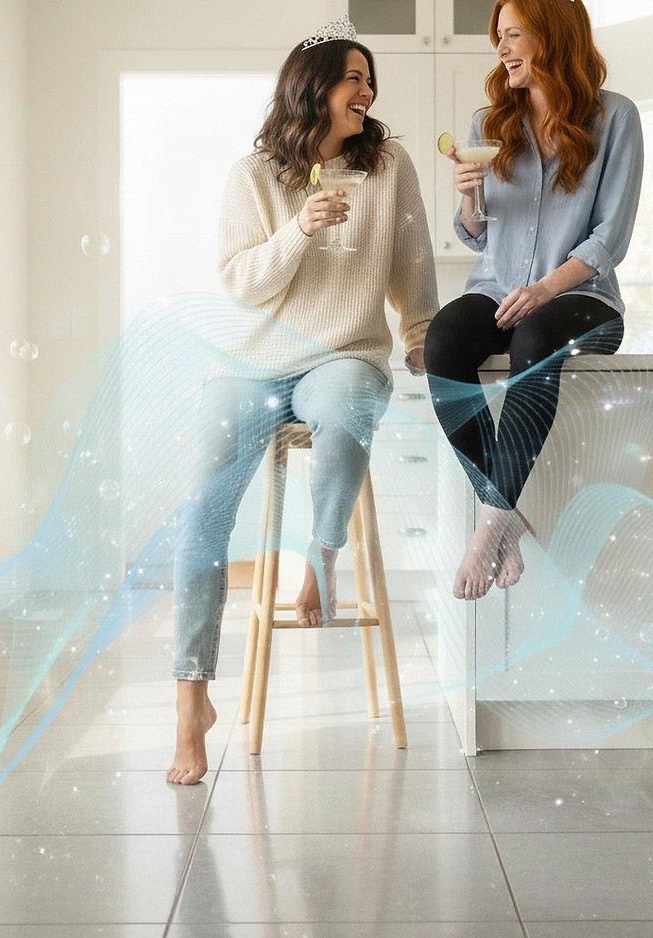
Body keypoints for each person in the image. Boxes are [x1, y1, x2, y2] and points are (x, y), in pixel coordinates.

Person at [168, 16, 438, 784]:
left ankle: (319, 561)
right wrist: (298, 230)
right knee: (202, 513)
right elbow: (242, 288)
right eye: (353, 76)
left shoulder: (390, 167)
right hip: (251, 363)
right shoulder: (252, 176)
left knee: (350, 407)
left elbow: (412, 269)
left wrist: (420, 335)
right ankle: (191, 702)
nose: (368, 90)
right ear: (312, 87)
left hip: (344, 353)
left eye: (369, 77)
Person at [419, 0, 644, 602]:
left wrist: (544, 289)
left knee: (535, 338)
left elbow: (610, 238)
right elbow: (477, 233)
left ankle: (487, 527)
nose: (501, 49)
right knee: (442, 341)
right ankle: (505, 517)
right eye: (499, 38)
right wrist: (468, 199)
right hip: (496, 285)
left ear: (552, 35)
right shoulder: (488, 124)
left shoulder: (616, 118)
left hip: (582, 297)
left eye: (513, 35)